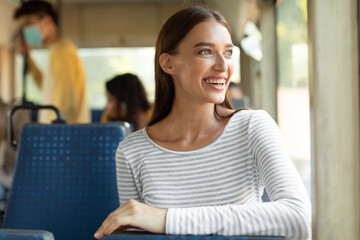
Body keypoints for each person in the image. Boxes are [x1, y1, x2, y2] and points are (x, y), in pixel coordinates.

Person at [94, 6, 311, 240]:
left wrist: (167, 219)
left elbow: (298, 217)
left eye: (228, 53)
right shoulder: (132, 150)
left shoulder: (252, 127)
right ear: (168, 64)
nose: (222, 65)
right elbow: (136, 235)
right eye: (206, 51)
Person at [14, 0, 90, 124]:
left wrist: (54, 133)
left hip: (64, 136)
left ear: (48, 21)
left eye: (29, 23)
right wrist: (28, 57)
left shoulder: (63, 51)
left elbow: (65, 100)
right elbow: (45, 85)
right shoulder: (56, 51)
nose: (26, 30)